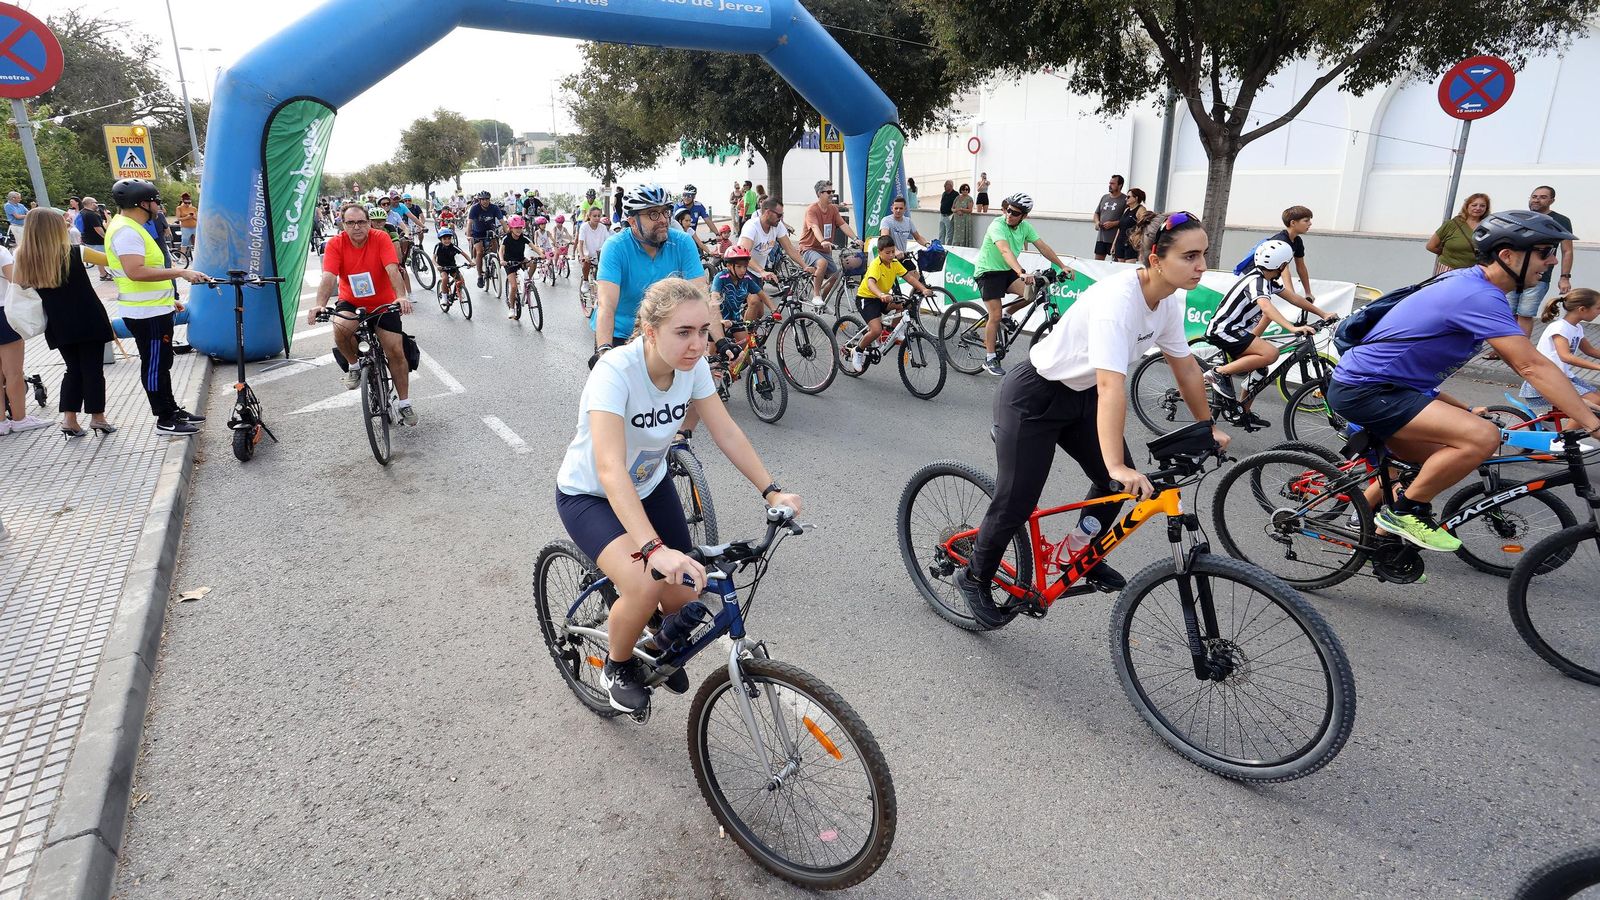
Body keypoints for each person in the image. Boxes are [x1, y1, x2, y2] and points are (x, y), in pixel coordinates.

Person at [955, 212, 1231, 624]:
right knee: (1018, 499)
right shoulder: (1118, 301)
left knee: (1112, 487)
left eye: (1204, 255)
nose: (1202, 265)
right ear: (1156, 258)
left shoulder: (1166, 302)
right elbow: (1110, 387)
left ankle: (1079, 553)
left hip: (1080, 396)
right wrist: (1117, 464)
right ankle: (974, 576)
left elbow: (1187, 368)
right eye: (1190, 256)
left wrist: (1205, 425)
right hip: (1034, 397)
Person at [555, 277, 803, 713]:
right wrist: (653, 549)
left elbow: (726, 430)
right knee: (643, 583)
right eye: (683, 332)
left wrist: (772, 492)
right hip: (591, 494)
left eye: (704, 331)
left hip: (649, 487)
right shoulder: (615, 372)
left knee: (687, 590)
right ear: (650, 332)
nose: (698, 344)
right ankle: (617, 666)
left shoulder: (694, 369)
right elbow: (611, 469)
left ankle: (656, 643)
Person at [1326, 210, 1600, 552]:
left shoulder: (1473, 284)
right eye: (1544, 251)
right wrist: (1591, 422)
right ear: (1507, 255)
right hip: (1368, 390)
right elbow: (1531, 365)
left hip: (1388, 388)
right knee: (1482, 437)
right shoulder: (1477, 295)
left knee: (1438, 458)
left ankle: (1379, 545)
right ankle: (1407, 513)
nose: (1552, 260)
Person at [104, 179, 208, 435]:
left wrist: (167, 299)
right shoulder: (127, 231)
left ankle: (172, 409)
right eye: (155, 201)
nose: (159, 207)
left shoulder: (131, 227)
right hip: (145, 314)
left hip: (153, 309)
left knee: (163, 362)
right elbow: (135, 272)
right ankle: (164, 418)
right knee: (154, 365)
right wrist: (181, 273)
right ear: (141, 203)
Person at [11, 208, 116, 437]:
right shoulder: (76, 252)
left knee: (73, 369)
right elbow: (111, 259)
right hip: (88, 318)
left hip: (57, 323)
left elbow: (21, 285)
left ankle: (69, 419)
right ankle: (98, 417)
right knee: (92, 369)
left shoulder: (23, 257)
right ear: (55, 229)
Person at [1202, 239, 1334, 420]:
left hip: (1238, 330)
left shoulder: (1268, 280)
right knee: (1271, 354)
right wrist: (1291, 327)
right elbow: (1266, 307)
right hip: (1224, 330)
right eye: (1286, 265)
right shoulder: (1256, 281)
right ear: (1281, 265)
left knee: (1261, 368)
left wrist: (1323, 314)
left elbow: (1294, 299)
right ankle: (1218, 373)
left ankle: (1243, 412)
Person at [311, 202, 417, 426]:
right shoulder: (335, 244)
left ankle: (404, 404)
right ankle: (354, 366)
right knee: (340, 327)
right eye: (350, 223)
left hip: (383, 301)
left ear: (369, 223)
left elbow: (391, 268)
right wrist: (320, 304)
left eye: (361, 222)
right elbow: (329, 276)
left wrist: (401, 296)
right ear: (342, 224)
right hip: (351, 301)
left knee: (396, 351)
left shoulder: (380, 238)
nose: (356, 227)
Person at [593, 184, 711, 357]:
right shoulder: (615, 247)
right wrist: (604, 349)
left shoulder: (683, 242)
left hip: (665, 335)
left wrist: (717, 341)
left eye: (665, 212)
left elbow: (701, 297)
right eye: (653, 214)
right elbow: (606, 306)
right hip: (620, 334)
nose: (663, 220)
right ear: (632, 221)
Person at [972, 192, 1075, 376]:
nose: (1009, 215)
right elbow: (1004, 250)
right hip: (988, 272)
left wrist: (1062, 265)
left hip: (1005, 271)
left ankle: (1007, 313)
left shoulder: (1025, 227)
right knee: (994, 316)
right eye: (1008, 210)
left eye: (1015, 213)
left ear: (1024, 216)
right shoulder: (997, 224)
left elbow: (1042, 246)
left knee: (1032, 293)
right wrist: (1021, 272)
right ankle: (989, 358)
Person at [844, 234, 931, 374]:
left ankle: (891, 331)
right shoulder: (875, 265)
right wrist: (881, 295)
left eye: (893, 251)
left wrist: (923, 289)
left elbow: (909, 277)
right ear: (879, 252)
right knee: (875, 330)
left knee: (905, 305)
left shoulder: (895, 263)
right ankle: (858, 351)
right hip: (867, 299)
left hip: (883, 298)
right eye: (887, 252)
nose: (891, 255)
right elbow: (871, 283)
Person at [0, 230, 51, 435]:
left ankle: (2, 422)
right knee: (13, 371)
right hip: (3, 314)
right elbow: (17, 279)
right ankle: (20, 418)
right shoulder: (1, 252)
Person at [1507, 186, 1576, 338]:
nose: (1537, 199)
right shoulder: (1521, 217)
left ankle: (1522, 350)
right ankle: (1502, 349)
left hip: (1539, 276)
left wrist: (1565, 277)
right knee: (1507, 313)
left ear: (1552, 200)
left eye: (1543, 197)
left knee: (1525, 314)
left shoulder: (1560, 220)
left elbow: (1567, 250)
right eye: (1534, 196)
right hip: (1514, 273)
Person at [1519, 289, 1600, 411]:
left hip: (1561, 377)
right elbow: (1565, 356)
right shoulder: (1560, 327)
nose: (1599, 312)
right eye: (1598, 308)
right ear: (1582, 309)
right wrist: (1597, 367)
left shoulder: (1576, 327)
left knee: (1597, 399)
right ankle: (1568, 431)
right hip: (1547, 379)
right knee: (1591, 402)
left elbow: (1590, 351)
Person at [799, 179, 858, 310]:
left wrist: (855, 238)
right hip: (809, 248)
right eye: (828, 192)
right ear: (819, 193)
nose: (831, 194)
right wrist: (822, 241)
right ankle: (816, 295)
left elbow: (843, 224)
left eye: (833, 191)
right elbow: (814, 227)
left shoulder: (832, 209)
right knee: (822, 263)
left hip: (825, 250)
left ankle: (822, 303)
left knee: (835, 277)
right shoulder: (812, 210)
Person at [710, 244, 769, 352]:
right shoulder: (721, 277)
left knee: (747, 349)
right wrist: (719, 320)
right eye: (739, 266)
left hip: (735, 319)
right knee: (713, 354)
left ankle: (754, 367)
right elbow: (715, 297)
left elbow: (761, 293)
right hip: (717, 320)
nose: (743, 270)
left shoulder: (746, 278)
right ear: (728, 266)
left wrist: (774, 310)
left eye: (745, 267)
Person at [738, 197, 806, 284]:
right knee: (755, 298)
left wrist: (805, 266)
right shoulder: (751, 226)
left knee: (761, 297)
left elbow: (789, 248)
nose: (780, 218)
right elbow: (744, 254)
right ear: (768, 212)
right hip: (743, 271)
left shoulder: (778, 225)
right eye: (779, 215)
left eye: (782, 215)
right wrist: (761, 271)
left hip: (758, 273)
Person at [1426, 192, 1489, 275]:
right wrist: (1449, 255)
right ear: (1467, 206)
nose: (1478, 208)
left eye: (1482, 206)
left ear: (1486, 208)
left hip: (1473, 272)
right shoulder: (1452, 224)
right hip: (1448, 270)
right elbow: (1431, 246)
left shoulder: (1488, 226)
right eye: (1474, 205)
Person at [1270, 206, 1316, 302]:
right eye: (1306, 221)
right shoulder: (1281, 241)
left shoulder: (1297, 241)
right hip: (1257, 277)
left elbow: (1301, 266)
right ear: (1293, 223)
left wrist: (1308, 292)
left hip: (1270, 279)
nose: (1310, 223)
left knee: (1268, 314)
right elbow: (1284, 269)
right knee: (1267, 311)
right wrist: (1291, 293)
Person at [466, 191, 506, 288]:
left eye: (487, 199)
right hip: (477, 233)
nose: (485, 201)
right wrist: (468, 235)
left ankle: (493, 263)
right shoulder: (474, 208)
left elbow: (502, 221)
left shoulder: (494, 208)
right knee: (479, 252)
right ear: (479, 200)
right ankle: (480, 275)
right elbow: (469, 222)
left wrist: (507, 231)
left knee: (495, 248)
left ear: (489, 199)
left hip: (490, 231)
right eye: (483, 199)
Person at [501, 215, 534, 318]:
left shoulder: (523, 237)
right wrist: (502, 260)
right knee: (514, 286)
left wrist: (541, 254)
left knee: (534, 262)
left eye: (520, 227)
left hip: (520, 260)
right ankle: (511, 308)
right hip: (509, 263)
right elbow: (501, 251)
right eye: (516, 228)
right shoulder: (506, 238)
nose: (519, 230)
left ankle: (528, 281)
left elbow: (533, 246)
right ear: (511, 228)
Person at [1093, 175, 1128, 260]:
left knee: (1116, 263)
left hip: (1115, 239)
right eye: (1109, 183)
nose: (1110, 185)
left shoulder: (1125, 199)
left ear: (1120, 185)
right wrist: (1097, 222)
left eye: (1112, 183)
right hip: (1101, 237)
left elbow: (1126, 219)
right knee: (1098, 263)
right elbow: (1096, 213)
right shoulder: (1104, 197)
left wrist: (1113, 224)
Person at [432, 227, 469, 306]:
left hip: (452, 266)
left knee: (460, 278)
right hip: (442, 267)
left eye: (449, 238)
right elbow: (433, 259)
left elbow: (464, 254)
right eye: (444, 239)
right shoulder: (438, 246)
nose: (447, 241)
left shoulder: (453, 246)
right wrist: (437, 266)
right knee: (445, 278)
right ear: (440, 239)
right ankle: (444, 297)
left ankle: (460, 291)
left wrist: (471, 262)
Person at [1113, 188, 1151, 262]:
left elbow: (1145, 226)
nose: (1126, 199)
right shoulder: (1126, 210)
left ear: (1136, 198)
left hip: (1131, 243)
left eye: (1128, 197)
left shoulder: (1141, 210)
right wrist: (1114, 243)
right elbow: (1120, 228)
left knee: (1128, 267)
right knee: (1119, 266)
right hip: (1120, 241)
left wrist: (1138, 240)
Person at [576, 204, 609, 290]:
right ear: (589, 216)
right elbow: (580, 243)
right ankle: (585, 281)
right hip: (587, 255)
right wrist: (582, 256)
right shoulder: (584, 227)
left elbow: (608, 242)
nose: (597, 218)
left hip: (600, 255)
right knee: (586, 262)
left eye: (599, 216)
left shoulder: (603, 228)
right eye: (594, 216)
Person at [79, 197, 110, 281]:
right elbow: (98, 229)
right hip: (96, 240)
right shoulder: (92, 214)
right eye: (96, 202)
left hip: (87, 239)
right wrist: (106, 237)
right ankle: (103, 274)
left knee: (98, 257)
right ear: (91, 203)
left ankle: (103, 273)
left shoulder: (82, 212)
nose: (97, 204)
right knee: (100, 258)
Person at [938, 179, 958, 244]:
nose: (944, 187)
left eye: (945, 186)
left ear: (950, 186)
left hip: (949, 216)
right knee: (941, 232)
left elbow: (956, 205)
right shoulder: (944, 193)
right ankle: (941, 246)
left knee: (949, 233)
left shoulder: (955, 194)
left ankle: (948, 246)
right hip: (942, 215)